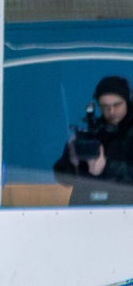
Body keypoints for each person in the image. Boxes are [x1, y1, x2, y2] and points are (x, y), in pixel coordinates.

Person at [51, 73, 133, 204]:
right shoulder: (93, 133)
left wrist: (106, 167)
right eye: (105, 107)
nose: (111, 111)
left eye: (117, 105)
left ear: (127, 101)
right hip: (86, 209)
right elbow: (63, 179)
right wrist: (72, 162)